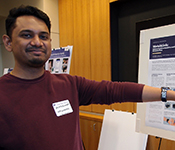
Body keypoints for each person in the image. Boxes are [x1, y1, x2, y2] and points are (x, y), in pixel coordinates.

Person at [0, 5, 175, 150]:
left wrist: (169, 94)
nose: (37, 42)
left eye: (43, 36)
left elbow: (116, 90)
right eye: (27, 35)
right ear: (8, 42)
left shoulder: (69, 84)